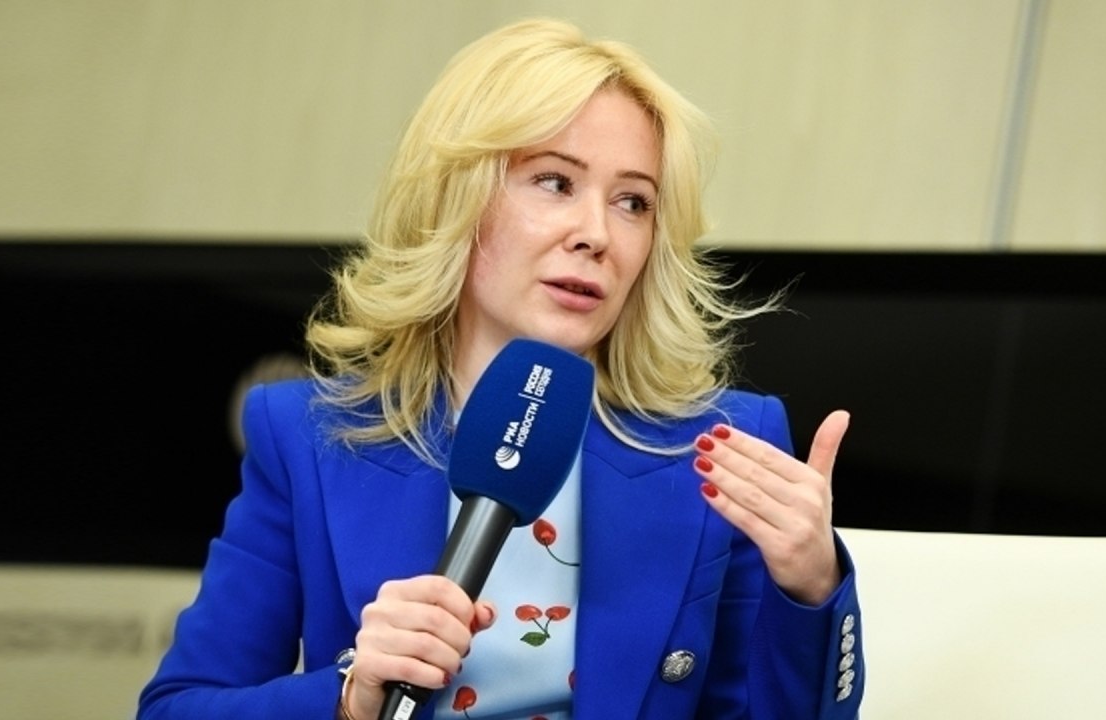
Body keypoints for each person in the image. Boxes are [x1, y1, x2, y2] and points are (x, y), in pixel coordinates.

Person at [139, 16, 863, 720]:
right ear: (457, 197)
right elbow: (177, 708)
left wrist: (810, 584)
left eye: (632, 202)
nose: (596, 234)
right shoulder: (307, 436)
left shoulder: (721, 446)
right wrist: (348, 698)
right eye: (555, 182)